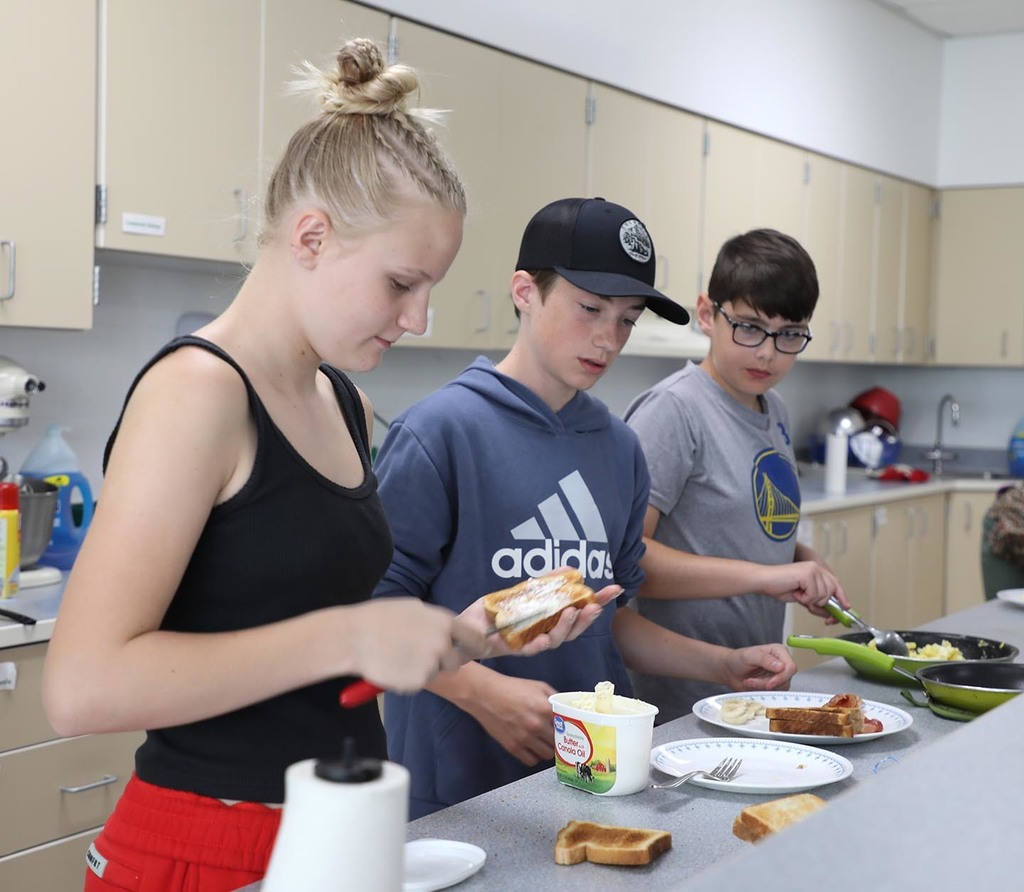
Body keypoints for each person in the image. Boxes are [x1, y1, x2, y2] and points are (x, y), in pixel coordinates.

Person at [41, 40, 603, 892]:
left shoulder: (340, 400)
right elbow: (81, 688)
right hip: (204, 843)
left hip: (338, 828)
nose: (417, 319)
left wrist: (471, 631)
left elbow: (315, 637)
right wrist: (348, 633)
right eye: (401, 284)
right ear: (312, 235)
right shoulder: (198, 391)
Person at [372, 197, 798, 819]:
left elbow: (611, 618)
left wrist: (722, 665)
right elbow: (375, 616)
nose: (608, 338)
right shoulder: (440, 433)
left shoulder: (619, 449)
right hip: (458, 788)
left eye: (627, 319)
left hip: (595, 777)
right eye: (590, 309)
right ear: (525, 291)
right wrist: (482, 691)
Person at [624, 228, 849, 723]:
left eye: (789, 334)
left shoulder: (776, 410)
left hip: (751, 689)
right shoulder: (674, 411)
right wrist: (770, 577)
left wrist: (805, 564)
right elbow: (630, 560)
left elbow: (745, 530)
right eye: (749, 327)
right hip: (679, 702)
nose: (768, 353)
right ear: (707, 314)